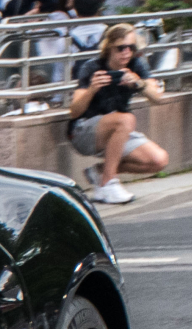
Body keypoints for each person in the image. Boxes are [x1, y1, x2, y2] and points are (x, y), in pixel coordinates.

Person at [67, 23, 170, 205]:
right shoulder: (92, 67)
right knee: (126, 119)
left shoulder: (136, 65)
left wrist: (139, 83)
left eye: (131, 47)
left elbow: (158, 98)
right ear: (109, 48)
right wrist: (92, 89)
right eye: (121, 48)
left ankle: (99, 172)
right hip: (84, 131)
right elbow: (74, 111)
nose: (126, 53)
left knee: (158, 160)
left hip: (120, 129)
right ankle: (108, 183)